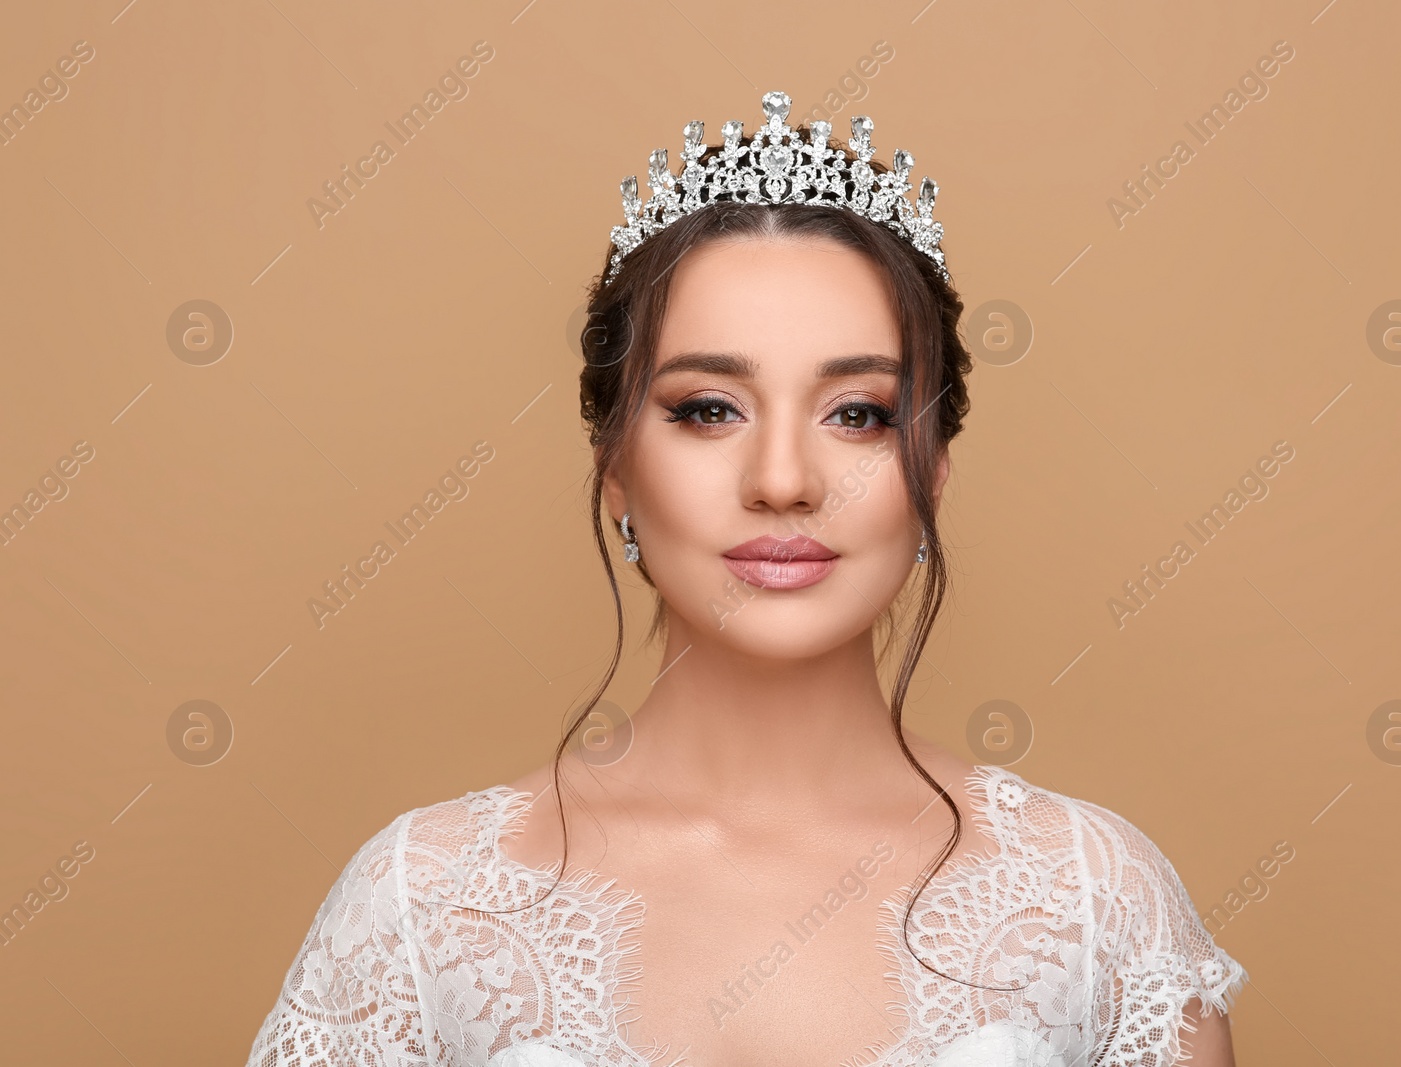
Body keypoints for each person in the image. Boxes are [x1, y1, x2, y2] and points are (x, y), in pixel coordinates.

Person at [246, 90, 1246, 1067]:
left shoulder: (1095, 899)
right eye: (708, 409)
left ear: (931, 471)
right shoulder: (423, 907)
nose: (782, 481)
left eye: (857, 412)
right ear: (616, 474)